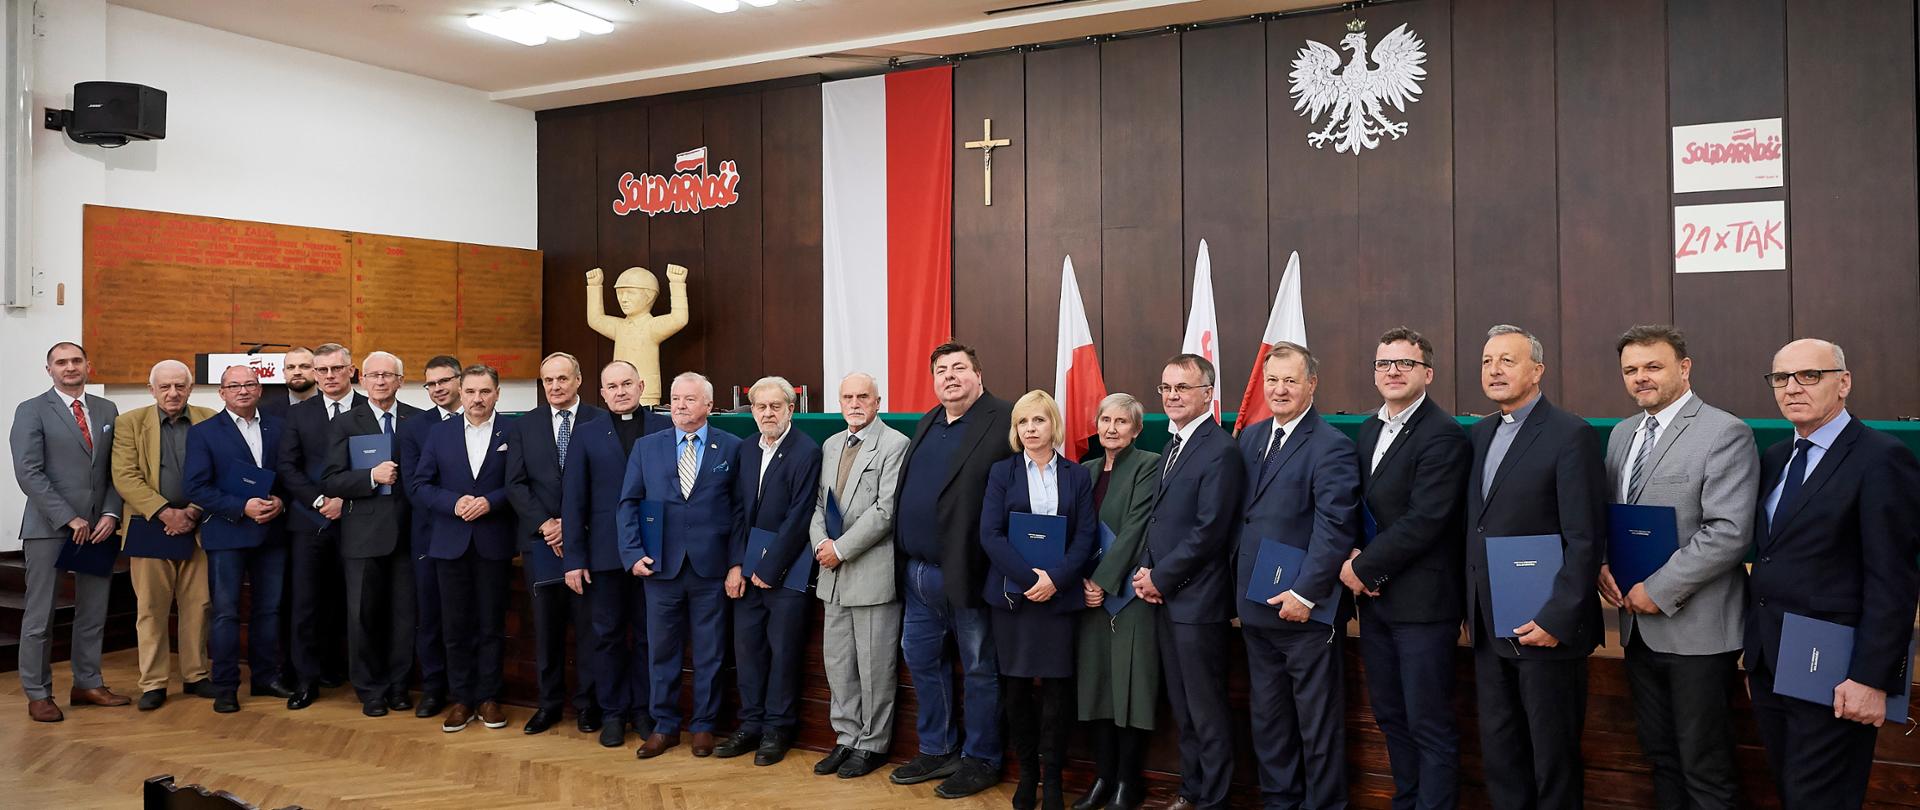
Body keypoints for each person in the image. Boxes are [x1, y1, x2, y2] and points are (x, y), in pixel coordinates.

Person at [1746, 338, 1920, 808]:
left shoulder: (1881, 457)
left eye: (1809, 375)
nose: (1792, 388)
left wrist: (1871, 677)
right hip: (1770, 660)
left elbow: (1894, 580)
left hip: (1837, 670)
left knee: (1820, 799)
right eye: (1781, 378)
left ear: (1843, 383)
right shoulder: (1777, 456)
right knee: (1790, 791)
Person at [1591, 326, 1757, 809]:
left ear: (1684, 368)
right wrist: (1604, 561)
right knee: (1661, 757)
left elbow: (1728, 532)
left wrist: (1657, 590)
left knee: (1704, 766)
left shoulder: (1724, 432)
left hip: (1698, 632)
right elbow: (1611, 513)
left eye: (1652, 366)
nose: (1640, 378)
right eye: (1630, 370)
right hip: (1638, 629)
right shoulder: (1623, 435)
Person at [1464, 325, 1606, 810]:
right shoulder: (1479, 434)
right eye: (1487, 362)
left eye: (1508, 360)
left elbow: (1585, 538)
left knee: (1552, 761)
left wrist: (1555, 618)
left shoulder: (1571, 434)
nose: (1495, 370)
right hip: (1489, 626)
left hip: (1546, 629)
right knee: (1502, 757)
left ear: (1537, 370)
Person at [1339, 327, 1469, 810]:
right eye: (1383, 363)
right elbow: (1360, 505)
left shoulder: (1443, 434)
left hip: (1422, 605)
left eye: (1404, 364)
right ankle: (1406, 801)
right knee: (1390, 715)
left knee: (1428, 722)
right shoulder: (1370, 428)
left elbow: (1427, 519)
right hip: (1376, 603)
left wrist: (1364, 568)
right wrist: (1354, 557)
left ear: (1427, 374)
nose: (1392, 371)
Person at [1232, 343, 1361, 810]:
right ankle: (1279, 802)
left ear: (1312, 384)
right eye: (1272, 380)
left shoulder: (1332, 445)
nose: (1280, 389)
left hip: (1304, 612)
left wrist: (1305, 594)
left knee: (1317, 725)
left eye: (1290, 380)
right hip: (1255, 605)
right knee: (1268, 720)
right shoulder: (1249, 438)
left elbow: (1335, 527)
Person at [888, 342, 1015, 799]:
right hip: (917, 574)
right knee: (923, 662)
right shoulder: (928, 421)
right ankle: (939, 747)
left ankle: (982, 759)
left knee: (980, 669)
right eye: (941, 370)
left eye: (959, 368)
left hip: (971, 572)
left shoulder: (1004, 420)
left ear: (979, 374)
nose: (949, 376)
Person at [1132, 353, 1246, 810]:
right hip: (1165, 600)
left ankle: (1213, 800)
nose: (1172, 396)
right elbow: (1158, 520)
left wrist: (1161, 576)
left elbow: (1210, 532)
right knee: (1183, 708)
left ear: (1207, 394)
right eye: (1166, 388)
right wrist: (1145, 570)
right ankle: (1191, 791)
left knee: (1207, 710)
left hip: (1198, 603)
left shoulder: (1220, 450)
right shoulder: (1172, 445)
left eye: (1182, 388)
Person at [979, 391, 1097, 810]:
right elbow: (989, 535)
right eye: (1023, 422)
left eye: (1038, 421)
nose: (1030, 429)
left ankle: (1054, 781)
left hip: (1059, 600)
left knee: (1057, 696)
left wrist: (1057, 580)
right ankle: (1027, 776)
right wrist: (1032, 579)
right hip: (1015, 598)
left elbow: (1085, 536)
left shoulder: (1077, 476)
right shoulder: (1001, 473)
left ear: (1054, 426)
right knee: (1015, 692)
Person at [620, 372, 744, 759]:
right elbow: (628, 503)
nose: (679, 405)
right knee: (662, 652)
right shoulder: (646, 447)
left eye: (689, 399)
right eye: (675, 398)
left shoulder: (733, 447)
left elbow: (741, 512)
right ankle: (665, 726)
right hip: (660, 568)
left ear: (708, 405)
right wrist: (631, 552)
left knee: (710, 653)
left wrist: (737, 563)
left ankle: (704, 726)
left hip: (711, 569)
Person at [10, 342, 130, 721]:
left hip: (99, 528)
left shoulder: (106, 409)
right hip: (49, 527)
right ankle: (38, 693)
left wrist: (111, 513)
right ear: (49, 370)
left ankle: (87, 683)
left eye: (76, 360)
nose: (69, 367)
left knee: (93, 611)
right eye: (61, 362)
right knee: (39, 615)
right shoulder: (31, 410)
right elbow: (29, 472)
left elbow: (115, 469)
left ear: (88, 366)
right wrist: (68, 517)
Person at [562, 361, 672, 748]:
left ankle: (644, 711)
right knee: (606, 635)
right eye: (612, 386)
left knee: (648, 637)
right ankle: (612, 713)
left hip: (655, 553)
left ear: (642, 386)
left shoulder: (664, 427)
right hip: (604, 556)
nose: (620, 391)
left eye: (627, 383)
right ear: (602, 392)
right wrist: (573, 559)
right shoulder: (586, 434)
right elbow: (573, 501)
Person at [808, 372, 910, 779]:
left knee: (874, 667)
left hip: (869, 572)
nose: (854, 403)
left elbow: (885, 511)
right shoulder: (832, 444)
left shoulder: (895, 445)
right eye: (847, 396)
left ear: (878, 400)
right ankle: (846, 737)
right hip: (831, 576)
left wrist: (840, 549)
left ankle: (872, 745)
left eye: (862, 396)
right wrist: (820, 544)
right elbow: (818, 504)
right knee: (839, 664)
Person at [717, 376, 823, 766]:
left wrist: (768, 566)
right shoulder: (746, 449)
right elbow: (738, 512)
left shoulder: (806, 452)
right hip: (746, 573)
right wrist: (737, 565)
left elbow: (799, 518)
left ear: (790, 409)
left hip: (787, 573)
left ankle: (778, 729)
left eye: (775, 406)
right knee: (748, 652)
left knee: (783, 654)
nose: (767, 413)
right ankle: (751, 724)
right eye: (760, 407)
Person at [410, 365, 517, 733]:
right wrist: (454, 503)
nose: (477, 399)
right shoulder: (440, 434)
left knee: (490, 625)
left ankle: (488, 698)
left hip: (493, 542)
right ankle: (461, 699)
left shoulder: (513, 431)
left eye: (485, 391)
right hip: (449, 542)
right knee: (454, 627)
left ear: (497, 393)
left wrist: (491, 501)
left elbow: (520, 482)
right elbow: (421, 484)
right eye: (470, 391)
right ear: (461, 391)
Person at [505, 352, 605, 735]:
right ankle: (548, 705)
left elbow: (607, 481)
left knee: (588, 629)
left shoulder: (600, 421)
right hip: (541, 543)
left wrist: (573, 526)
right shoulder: (525, 425)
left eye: (563, 379)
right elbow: (515, 483)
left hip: (588, 542)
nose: (556, 387)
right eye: (548, 380)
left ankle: (588, 706)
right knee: (545, 630)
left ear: (579, 380)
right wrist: (548, 524)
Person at [183, 365, 292, 713]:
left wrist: (282, 501)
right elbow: (196, 487)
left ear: (259, 389)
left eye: (249, 384)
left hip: (272, 533)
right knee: (226, 613)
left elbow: (289, 476)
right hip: (228, 533)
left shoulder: (279, 427)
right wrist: (241, 506)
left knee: (269, 610)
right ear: (222, 393)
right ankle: (226, 685)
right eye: (234, 386)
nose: (242, 391)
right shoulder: (204, 433)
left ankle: (264, 677)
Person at [109, 359, 217, 711]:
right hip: (150, 526)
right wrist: (165, 512)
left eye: (179, 386)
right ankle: (153, 682)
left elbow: (221, 470)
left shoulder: (210, 419)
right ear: (151, 388)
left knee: (198, 606)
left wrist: (193, 512)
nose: (173, 393)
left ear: (190, 388)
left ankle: (196, 675)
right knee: (151, 609)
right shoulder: (130, 423)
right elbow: (125, 476)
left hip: (198, 525)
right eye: (165, 387)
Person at [321, 349, 424, 717]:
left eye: (388, 375)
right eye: (373, 375)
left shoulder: (418, 420)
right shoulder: (346, 422)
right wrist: (369, 477)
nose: (380, 381)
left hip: (410, 534)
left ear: (401, 379)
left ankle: (398, 687)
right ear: (361, 380)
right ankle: (370, 690)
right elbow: (330, 478)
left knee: (403, 616)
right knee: (363, 615)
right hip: (363, 536)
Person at [1072, 393, 1160, 810]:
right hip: (1088, 599)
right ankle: (1103, 778)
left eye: (1121, 422)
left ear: (1136, 429)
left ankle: (1129, 783)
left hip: (1130, 597)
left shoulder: (1149, 464)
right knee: (1096, 690)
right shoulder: (1083, 471)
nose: (1111, 428)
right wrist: (1082, 583)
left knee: (1131, 690)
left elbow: (1136, 529)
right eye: (1105, 420)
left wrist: (1104, 582)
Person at [276, 342, 359, 709]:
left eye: (336, 369)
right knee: (306, 605)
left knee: (355, 603)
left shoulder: (369, 409)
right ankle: (306, 680)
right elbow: (288, 467)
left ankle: (354, 675)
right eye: (321, 370)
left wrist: (347, 500)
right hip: (309, 521)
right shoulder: (299, 414)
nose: (328, 376)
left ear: (351, 370)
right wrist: (321, 501)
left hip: (359, 520)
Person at [396, 353, 463, 719]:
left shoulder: (488, 422)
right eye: (431, 384)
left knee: (468, 617)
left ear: (459, 380)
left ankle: (466, 692)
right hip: (430, 536)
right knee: (432, 618)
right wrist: (455, 506)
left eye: (444, 382)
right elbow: (413, 486)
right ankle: (435, 689)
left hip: (477, 535)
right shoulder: (414, 428)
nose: (438, 389)